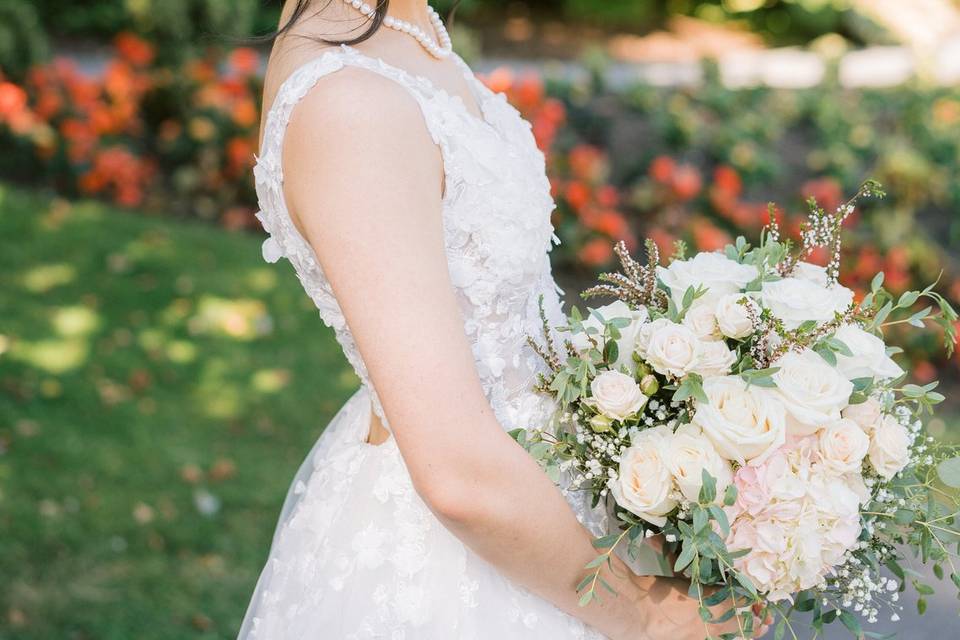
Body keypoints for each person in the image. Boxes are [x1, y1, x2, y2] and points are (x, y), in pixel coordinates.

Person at [239, 1, 769, 638]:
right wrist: (644, 614)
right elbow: (456, 468)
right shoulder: (349, 105)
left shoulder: (407, 27)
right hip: (469, 562)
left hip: (553, 499)